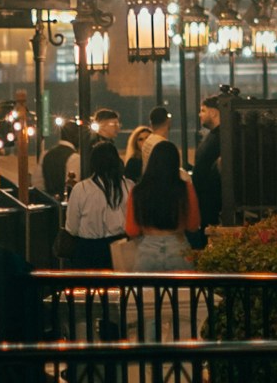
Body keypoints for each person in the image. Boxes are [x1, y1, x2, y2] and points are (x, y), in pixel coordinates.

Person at [121, 139, 198, 272]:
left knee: (145, 292)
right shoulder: (185, 188)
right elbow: (193, 225)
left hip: (147, 250)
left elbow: (131, 230)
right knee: (182, 292)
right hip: (178, 248)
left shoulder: (138, 190)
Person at [63, 137, 127, 262]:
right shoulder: (128, 186)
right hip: (120, 247)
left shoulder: (81, 189)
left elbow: (72, 228)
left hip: (88, 250)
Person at [192, 108, 227, 232]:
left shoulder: (220, 136)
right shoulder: (215, 135)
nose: (199, 114)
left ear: (214, 112)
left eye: (203, 110)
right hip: (209, 200)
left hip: (213, 201)